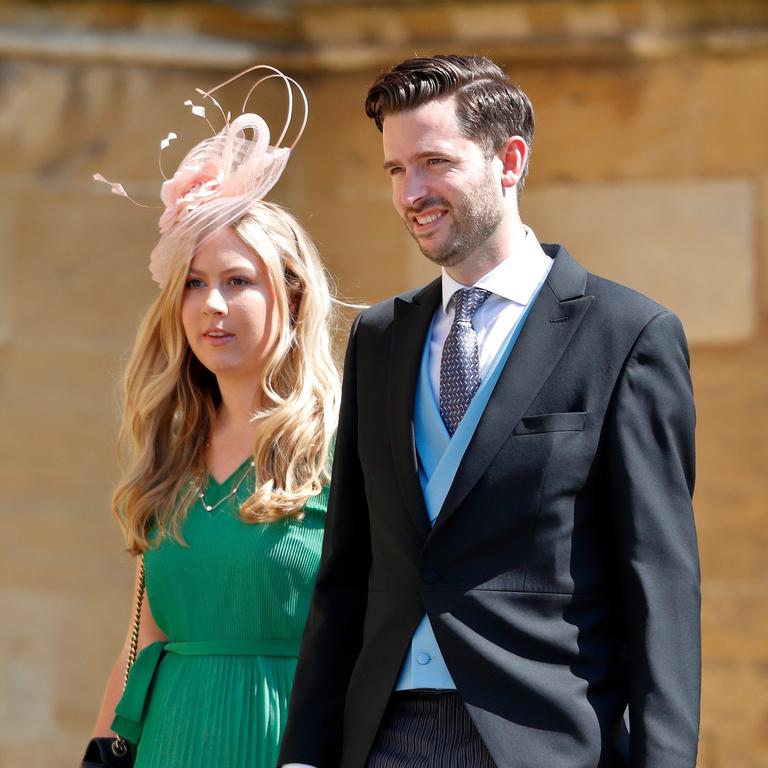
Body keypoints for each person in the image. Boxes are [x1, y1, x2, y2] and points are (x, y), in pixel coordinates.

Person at [278, 55, 700, 768]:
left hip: (544, 741)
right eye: (393, 170)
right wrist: (304, 755)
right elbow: (346, 574)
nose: (411, 193)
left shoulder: (626, 336)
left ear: (510, 160)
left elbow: (658, 585)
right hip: (383, 739)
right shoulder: (379, 339)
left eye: (433, 163)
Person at [85, 66, 340, 768]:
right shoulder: (171, 453)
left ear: (290, 293)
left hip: (291, 743)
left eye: (237, 281)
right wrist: (99, 750)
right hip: (169, 741)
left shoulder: (347, 445)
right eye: (193, 284)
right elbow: (145, 638)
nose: (211, 305)